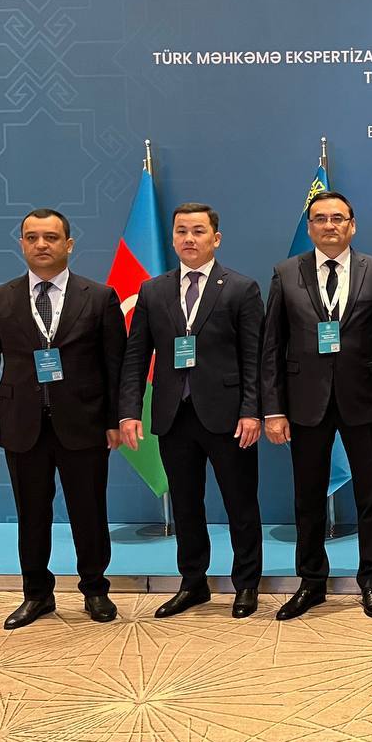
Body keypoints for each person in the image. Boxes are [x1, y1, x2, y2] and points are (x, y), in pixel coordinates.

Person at [0, 208, 125, 628]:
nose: (41, 244)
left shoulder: (99, 296)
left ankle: (95, 590)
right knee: (31, 515)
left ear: (68, 244)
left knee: (89, 512)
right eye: (32, 237)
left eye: (51, 237)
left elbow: (116, 366)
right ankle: (37, 595)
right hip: (22, 426)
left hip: (85, 424)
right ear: (21, 243)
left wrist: (115, 419)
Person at [261, 190, 372, 621]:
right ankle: (311, 582)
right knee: (308, 497)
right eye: (320, 218)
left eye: (338, 218)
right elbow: (272, 346)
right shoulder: (286, 273)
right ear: (309, 228)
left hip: (365, 401)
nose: (329, 225)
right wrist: (273, 409)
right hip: (305, 404)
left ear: (352, 225)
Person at [120, 203, 264, 619]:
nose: (189, 238)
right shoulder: (153, 291)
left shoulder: (241, 288)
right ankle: (193, 583)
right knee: (185, 505)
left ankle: (246, 584)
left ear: (215, 239)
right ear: (172, 239)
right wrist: (129, 411)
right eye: (181, 231)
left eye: (198, 231)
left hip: (229, 417)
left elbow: (254, 357)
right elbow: (135, 357)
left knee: (240, 504)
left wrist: (252, 411)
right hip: (173, 416)